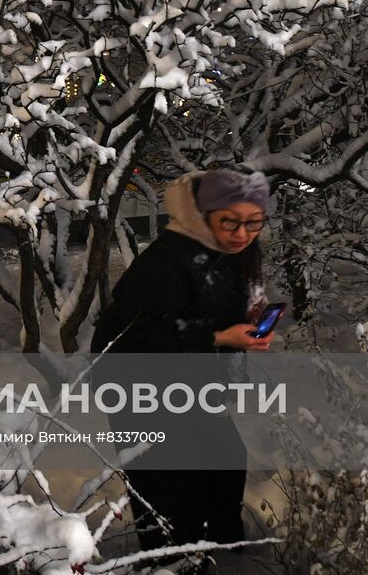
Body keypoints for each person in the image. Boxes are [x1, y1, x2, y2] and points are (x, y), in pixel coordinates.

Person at [91, 168, 275, 566]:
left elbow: (210, 313)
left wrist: (243, 325)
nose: (243, 233)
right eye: (230, 221)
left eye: (253, 222)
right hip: (137, 389)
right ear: (205, 214)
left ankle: (226, 560)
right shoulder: (170, 258)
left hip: (190, 385)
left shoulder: (228, 253)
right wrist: (220, 336)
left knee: (223, 468)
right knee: (170, 493)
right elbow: (136, 334)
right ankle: (172, 563)